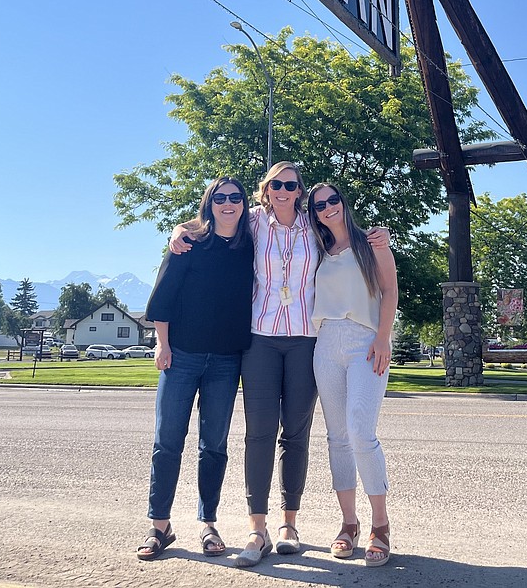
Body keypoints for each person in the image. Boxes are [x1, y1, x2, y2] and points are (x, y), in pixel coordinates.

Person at [169, 162, 388, 567]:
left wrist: (379, 236)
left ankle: (290, 524)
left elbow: (348, 238)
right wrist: (178, 231)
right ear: (264, 190)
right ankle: (258, 528)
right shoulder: (252, 222)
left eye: (291, 185)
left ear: (300, 191)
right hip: (260, 339)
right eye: (275, 185)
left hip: (307, 340)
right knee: (260, 433)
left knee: (297, 434)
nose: (283, 191)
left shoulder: (315, 226)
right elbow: (210, 220)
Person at [136, 177, 254, 561]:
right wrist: (162, 344)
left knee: (214, 445)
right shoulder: (188, 244)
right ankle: (159, 526)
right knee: (167, 441)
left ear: (243, 204)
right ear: (209, 203)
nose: (228, 203)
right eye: (220, 197)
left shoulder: (250, 245)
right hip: (181, 356)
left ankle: (208, 523)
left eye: (235, 197)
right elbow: (163, 297)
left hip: (226, 360)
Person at [308, 182, 399, 567]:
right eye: (318, 205)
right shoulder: (317, 250)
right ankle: (349, 523)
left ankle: (381, 525)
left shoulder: (372, 242)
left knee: (361, 430)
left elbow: (390, 290)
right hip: (326, 343)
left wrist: (383, 337)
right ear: (313, 214)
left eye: (333, 200)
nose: (327, 208)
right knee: (337, 437)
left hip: (365, 341)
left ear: (344, 202)